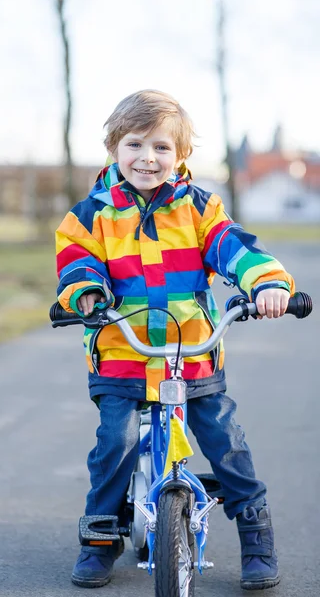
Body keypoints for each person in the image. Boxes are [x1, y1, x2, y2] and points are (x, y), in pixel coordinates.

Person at [55, 89, 295, 590]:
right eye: (135, 145)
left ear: (181, 156)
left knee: (224, 440)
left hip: (193, 358)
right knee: (115, 442)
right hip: (123, 355)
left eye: (162, 147)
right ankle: (100, 537)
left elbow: (235, 249)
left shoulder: (200, 208)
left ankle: (256, 533)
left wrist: (267, 283)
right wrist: (85, 294)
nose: (148, 158)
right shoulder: (90, 214)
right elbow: (76, 260)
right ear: (114, 148)